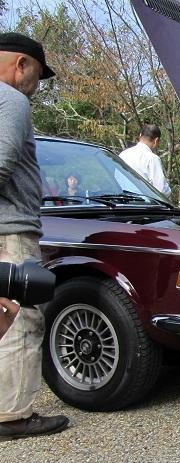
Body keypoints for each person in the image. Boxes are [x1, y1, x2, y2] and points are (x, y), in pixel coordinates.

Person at [0, 32, 69, 440]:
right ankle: (12, 415)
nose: (35, 86)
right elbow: (2, 162)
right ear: (21, 64)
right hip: (11, 231)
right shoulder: (11, 99)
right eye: (37, 76)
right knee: (20, 318)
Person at [119, 124, 172, 196]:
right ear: (156, 140)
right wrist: (168, 190)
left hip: (120, 199)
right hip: (142, 201)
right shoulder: (152, 159)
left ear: (140, 135)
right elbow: (161, 190)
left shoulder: (123, 154)